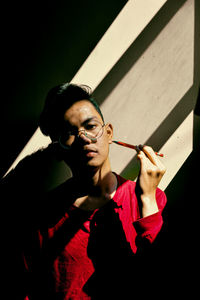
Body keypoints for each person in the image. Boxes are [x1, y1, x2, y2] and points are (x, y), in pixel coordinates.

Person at [1, 83, 167, 299]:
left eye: (90, 126)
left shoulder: (149, 199)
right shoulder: (44, 215)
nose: (83, 138)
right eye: (69, 132)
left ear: (108, 133)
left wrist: (147, 200)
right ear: (59, 148)